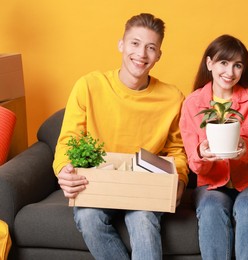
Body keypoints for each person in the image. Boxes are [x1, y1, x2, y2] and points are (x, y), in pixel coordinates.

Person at [53, 13, 188, 260]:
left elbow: (177, 150)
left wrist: (179, 181)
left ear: (158, 55)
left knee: (144, 220)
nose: (141, 54)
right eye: (135, 43)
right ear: (121, 45)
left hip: (145, 186)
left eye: (151, 48)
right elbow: (68, 140)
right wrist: (65, 169)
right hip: (96, 183)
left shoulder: (172, 98)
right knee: (88, 216)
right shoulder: (89, 86)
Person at [179, 34, 248, 260]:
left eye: (237, 65)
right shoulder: (193, 103)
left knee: (247, 208)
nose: (230, 72)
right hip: (212, 184)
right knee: (211, 209)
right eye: (224, 63)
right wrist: (202, 154)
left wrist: (247, 148)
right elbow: (195, 164)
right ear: (209, 63)